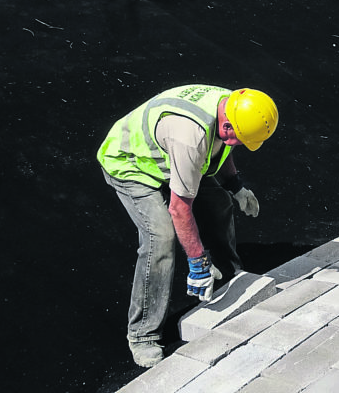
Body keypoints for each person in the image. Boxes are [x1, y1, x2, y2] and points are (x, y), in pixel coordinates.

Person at [97, 84, 279, 367]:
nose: (239, 145)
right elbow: (180, 209)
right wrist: (198, 263)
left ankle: (230, 276)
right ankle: (143, 334)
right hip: (132, 164)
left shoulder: (231, 105)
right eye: (241, 139)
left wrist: (235, 186)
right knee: (161, 238)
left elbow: (223, 146)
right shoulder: (190, 138)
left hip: (172, 156)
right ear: (229, 123)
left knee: (219, 202)